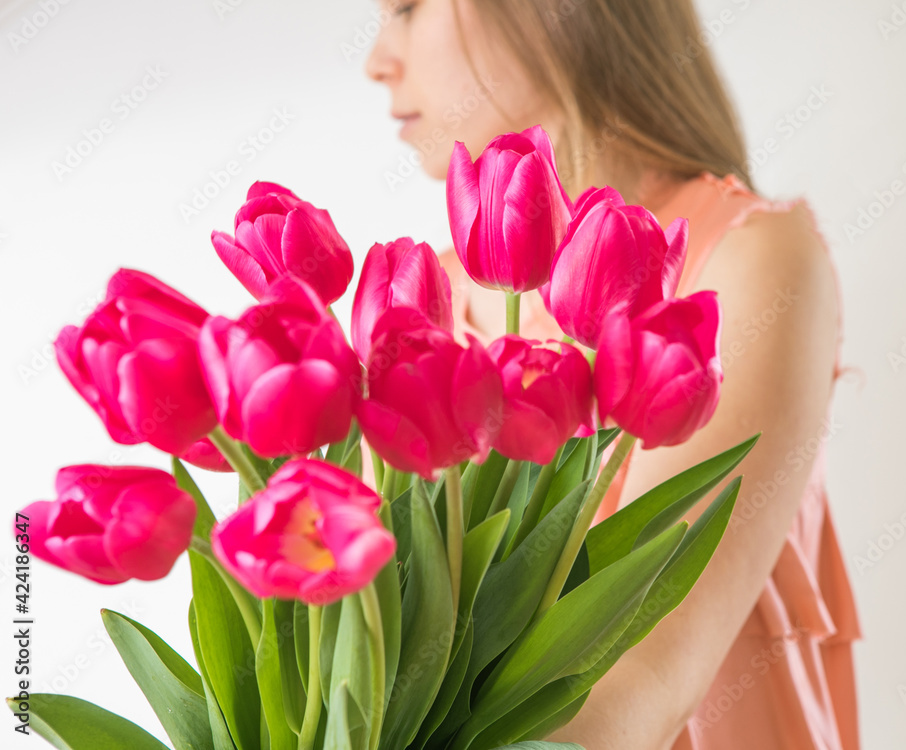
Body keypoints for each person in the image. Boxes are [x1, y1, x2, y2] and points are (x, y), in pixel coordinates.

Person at [364, 1, 863, 748]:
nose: (376, 60)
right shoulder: (422, 298)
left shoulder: (748, 256)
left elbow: (647, 671)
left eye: (407, 7)